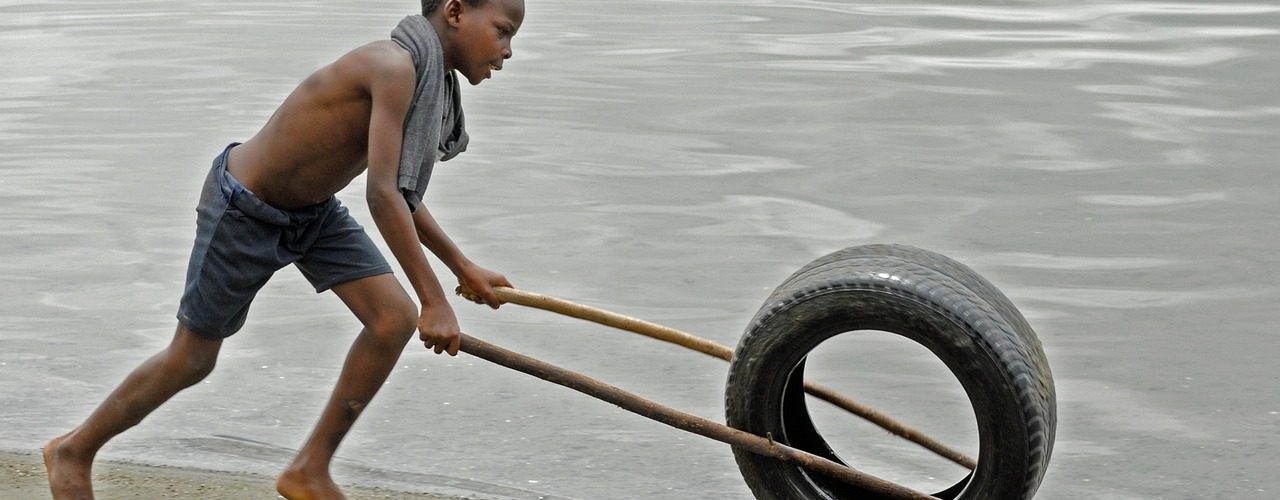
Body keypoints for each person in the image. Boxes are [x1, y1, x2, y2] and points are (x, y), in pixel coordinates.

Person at [43, 0, 525, 498]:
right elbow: (382, 194)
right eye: (503, 31)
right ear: (454, 11)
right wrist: (435, 299)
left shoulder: (425, 80)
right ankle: (74, 451)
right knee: (192, 358)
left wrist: (462, 267)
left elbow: (402, 194)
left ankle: (309, 469)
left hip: (311, 212)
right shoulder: (393, 67)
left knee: (392, 319)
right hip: (244, 209)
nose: (507, 51)